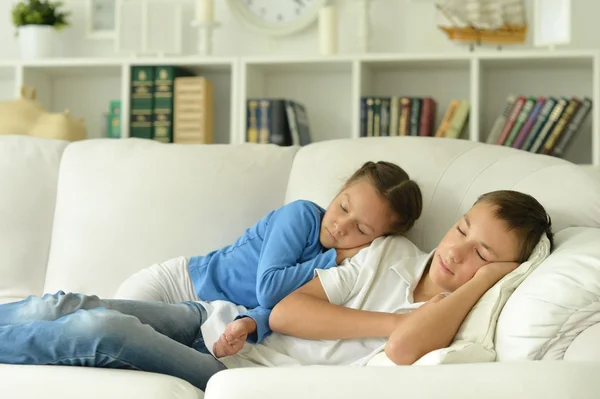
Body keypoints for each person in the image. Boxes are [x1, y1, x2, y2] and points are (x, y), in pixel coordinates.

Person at [0, 160, 423, 391]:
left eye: (362, 230)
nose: (342, 226)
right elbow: (270, 287)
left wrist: (250, 322)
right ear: (340, 187)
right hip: (181, 286)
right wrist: (333, 259)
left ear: (379, 238)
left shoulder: (359, 269)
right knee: (63, 307)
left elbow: (274, 309)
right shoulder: (304, 220)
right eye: (344, 205)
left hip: (219, 320)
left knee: (98, 330)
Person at [199, 190, 554, 374]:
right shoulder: (389, 251)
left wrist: (483, 281)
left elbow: (401, 350)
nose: (457, 252)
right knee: (141, 331)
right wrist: (395, 322)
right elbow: (284, 314)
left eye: (483, 255)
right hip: (237, 343)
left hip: (252, 376)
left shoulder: (460, 322)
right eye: (461, 229)